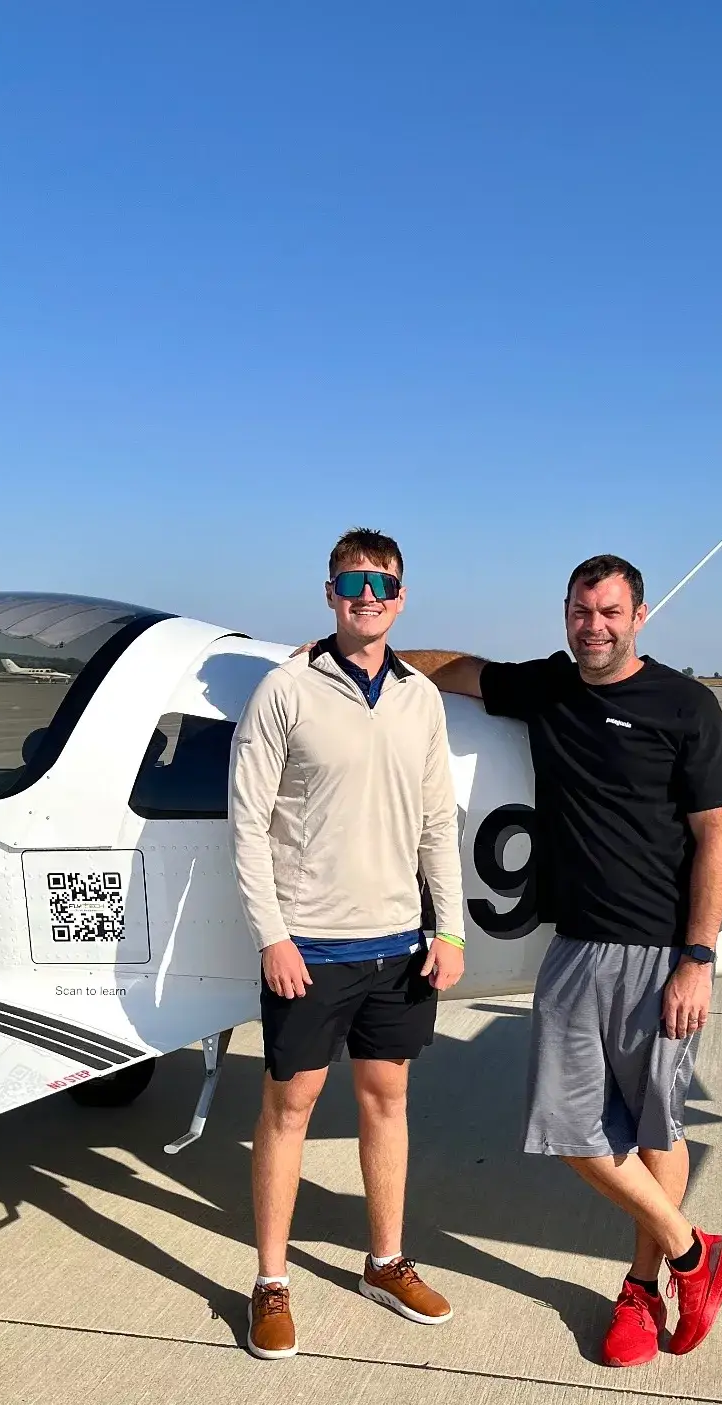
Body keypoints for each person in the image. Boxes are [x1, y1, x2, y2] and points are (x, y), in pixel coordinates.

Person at [402, 554, 722, 1368]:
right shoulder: (550, 687)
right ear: (566, 615)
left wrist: (696, 958)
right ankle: (697, 1254)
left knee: (655, 1126)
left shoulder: (686, 706)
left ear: (640, 617)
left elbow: (716, 834)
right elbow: (459, 671)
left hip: (660, 954)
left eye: (611, 612)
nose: (595, 626)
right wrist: (359, 652)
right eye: (582, 612)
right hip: (574, 946)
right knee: (571, 1131)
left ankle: (640, 1286)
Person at [230, 528, 466, 1360]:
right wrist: (273, 936)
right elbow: (248, 824)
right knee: (288, 1108)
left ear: (402, 598)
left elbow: (440, 822)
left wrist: (449, 926)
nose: (368, 595)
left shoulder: (419, 699)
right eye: (352, 581)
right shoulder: (286, 688)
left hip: (398, 946)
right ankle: (269, 1281)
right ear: (330, 592)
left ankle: (385, 1260)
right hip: (311, 948)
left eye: (383, 583)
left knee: (387, 1102)